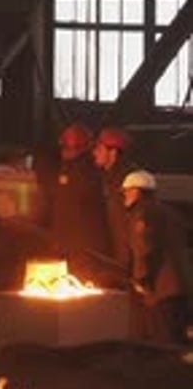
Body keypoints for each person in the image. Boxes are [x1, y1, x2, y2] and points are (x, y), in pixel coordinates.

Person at [121, 170, 190, 345]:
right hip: (181, 285)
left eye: (126, 191)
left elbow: (143, 249)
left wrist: (141, 282)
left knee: (161, 343)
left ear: (136, 191)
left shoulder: (142, 214)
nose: (124, 197)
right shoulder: (170, 212)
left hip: (161, 290)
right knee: (178, 339)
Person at [50, 122, 111, 281]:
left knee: (82, 282)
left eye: (66, 147)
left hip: (82, 247)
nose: (63, 151)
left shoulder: (86, 172)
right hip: (72, 244)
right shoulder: (72, 168)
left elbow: (79, 209)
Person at [93, 125, 138, 275]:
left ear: (113, 152)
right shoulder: (108, 177)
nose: (95, 153)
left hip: (129, 257)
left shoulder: (129, 181)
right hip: (119, 254)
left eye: (99, 148)